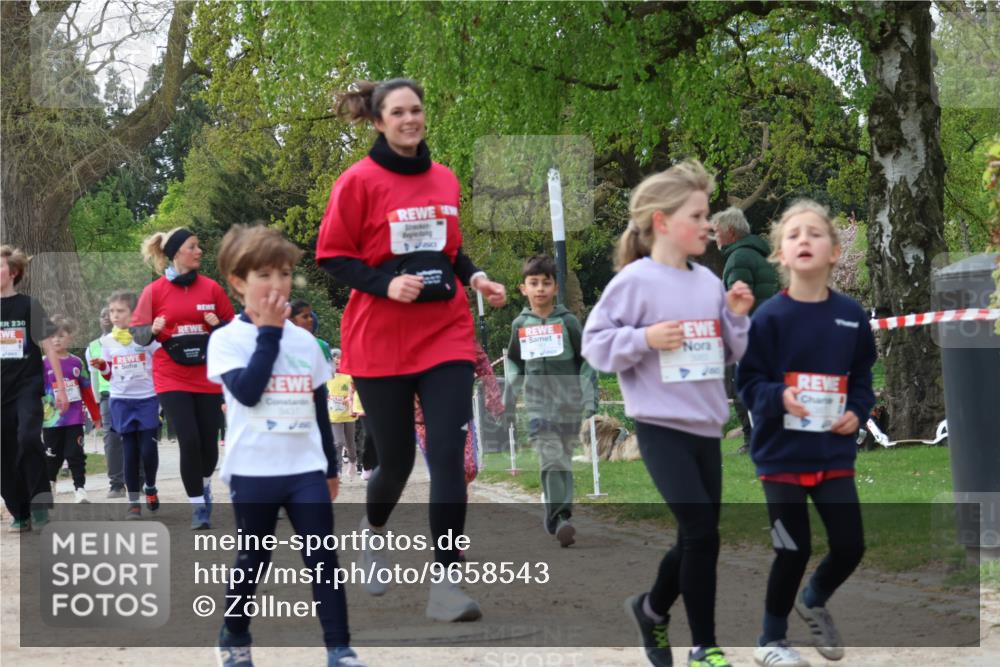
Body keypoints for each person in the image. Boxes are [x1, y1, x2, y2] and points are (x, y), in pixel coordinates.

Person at [315, 78, 506, 622]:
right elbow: (331, 255)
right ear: (378, 122)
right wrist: (385, 284)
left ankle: (446, 584)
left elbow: (449, 251)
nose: (409, 119)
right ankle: (373, 530)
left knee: (446, 454)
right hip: (380, 338)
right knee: (395, 460)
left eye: (416, 109)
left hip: (445, 332)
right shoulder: (357, 181)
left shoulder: (444, 178)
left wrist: (477, 278)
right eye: (397, 112)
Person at [582, 161, 754, 667]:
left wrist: (736, 318)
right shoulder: (634, 282)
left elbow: (728, 351)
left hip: (706, 426)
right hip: (660, 428)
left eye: (707, 216)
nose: (708, 225)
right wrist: (644, 338)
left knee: (698, 536)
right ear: (661, 221)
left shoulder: (708, 282)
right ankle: (705, 647)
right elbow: (596, 345)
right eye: (697, 216)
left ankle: (651, 609)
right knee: (701, 533)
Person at [207, 224, 363, 667]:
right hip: (253, 469)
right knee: (254, 557)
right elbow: (248, 391)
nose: (277, 284)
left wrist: (330, 467)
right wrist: (270, 333)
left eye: (284, 274)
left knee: (322, 556)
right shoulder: (226, 340)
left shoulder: (305, 342)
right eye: (264, 276)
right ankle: (234, 635)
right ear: (238, 283)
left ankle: (339, 649)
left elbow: (318, 406)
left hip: (304, 469)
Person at [736, 200, 876, 667]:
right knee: (792, 549)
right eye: (793, 234)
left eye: (815, 233)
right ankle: (770, 640)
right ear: (780, 253)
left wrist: (857, 411)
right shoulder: (769, 317)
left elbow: (862, 378)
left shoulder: (851, 316)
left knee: (851, 545)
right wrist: (780, 397)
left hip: (832, 452)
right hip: (781, 456)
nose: (804, 240)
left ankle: (813, 599)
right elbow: (748, 383)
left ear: (834, 251)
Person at [131, 227, 234, 529]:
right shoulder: (154, 292)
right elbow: (137, 335)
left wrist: (218, 325)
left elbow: (232, 330)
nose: (199, 251)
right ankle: (198, 506)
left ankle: (205, 484)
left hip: (207, 374)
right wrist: (152, 329)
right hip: (171, 375)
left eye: (198, 246)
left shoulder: (211, 289)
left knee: (208, 444)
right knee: (188, 440)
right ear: (177, 252)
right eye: (193, 246)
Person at [504, 254, 598, 547]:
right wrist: (509, 398)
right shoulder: (520, 324)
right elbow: (514, 362)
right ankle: (560, 518)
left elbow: (587, 360)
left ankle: (556, 515)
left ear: (556, 287)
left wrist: (589, 400)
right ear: (523, 289)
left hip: (569, 405)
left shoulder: (568, 322)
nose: (540, 288)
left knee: (562, 461)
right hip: (538, 405)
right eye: (534, 283)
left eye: (546, 283)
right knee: (551, 456)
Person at [1, 245, 70, 531]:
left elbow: (49, 347)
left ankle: (40, 505)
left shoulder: (29, 305)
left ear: (13, 272)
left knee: (29, 438)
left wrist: (60, 387)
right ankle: (19, 512)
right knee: (4, 453)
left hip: (26, 387)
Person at [712, 206, 780, 453]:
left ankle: (753, 440)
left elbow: (738, 303)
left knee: (740, 386)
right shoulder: (763, 255)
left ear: (730, 232)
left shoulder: (738, 258)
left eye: (717, 231)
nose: (715, 237)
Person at [91, 290, 161, 520]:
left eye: (120, 311)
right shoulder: (106, 341)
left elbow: (161, 363)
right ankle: (133, 503)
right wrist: (103, 366)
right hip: (121, 400)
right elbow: (110, 373)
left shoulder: (147, 338)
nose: (114, 315)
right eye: (112, 311)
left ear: (134, 313)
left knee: (148, 450)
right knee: (129, 452)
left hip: (147, 399)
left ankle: (150, 486)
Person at [416, 341, 504, 486]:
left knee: (469, 469)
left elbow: (481, 361)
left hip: (458, 409)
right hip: (424, 415)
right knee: (442, 470)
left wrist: (493, 396)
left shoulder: (459, 332)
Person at [42, 315, 101, 504]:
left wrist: (95, 415)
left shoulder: (76, 362)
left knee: (75, 454)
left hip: (74, 418)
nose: (56, 340)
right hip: (51, 420)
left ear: (70, 337)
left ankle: (80, 489)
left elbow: (87, 390)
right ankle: (50, 485)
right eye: (52, 336)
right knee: (52, 455)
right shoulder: (43, 363)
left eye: (61, 335)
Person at [86, 307, 126, 496]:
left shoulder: (128, 339)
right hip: (107, 396)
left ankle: (140, 480)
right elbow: (94, 377)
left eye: (109, 315)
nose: (106, 318)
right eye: (102, 315)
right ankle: (116, 484)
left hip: (129, 393)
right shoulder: (93, 346)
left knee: (135, 435)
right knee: (111, 438)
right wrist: (94, 403)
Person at [326, 348, 359, 478]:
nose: (337, 360)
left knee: (350, 443)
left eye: (340, 357)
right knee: (337, 442)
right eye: (334, 357)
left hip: (349, 413)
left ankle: (353, 462)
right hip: (334, 414)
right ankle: (337, 469)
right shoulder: (326, 373)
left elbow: (356, 390)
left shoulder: (350, 373)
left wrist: (350, 398)